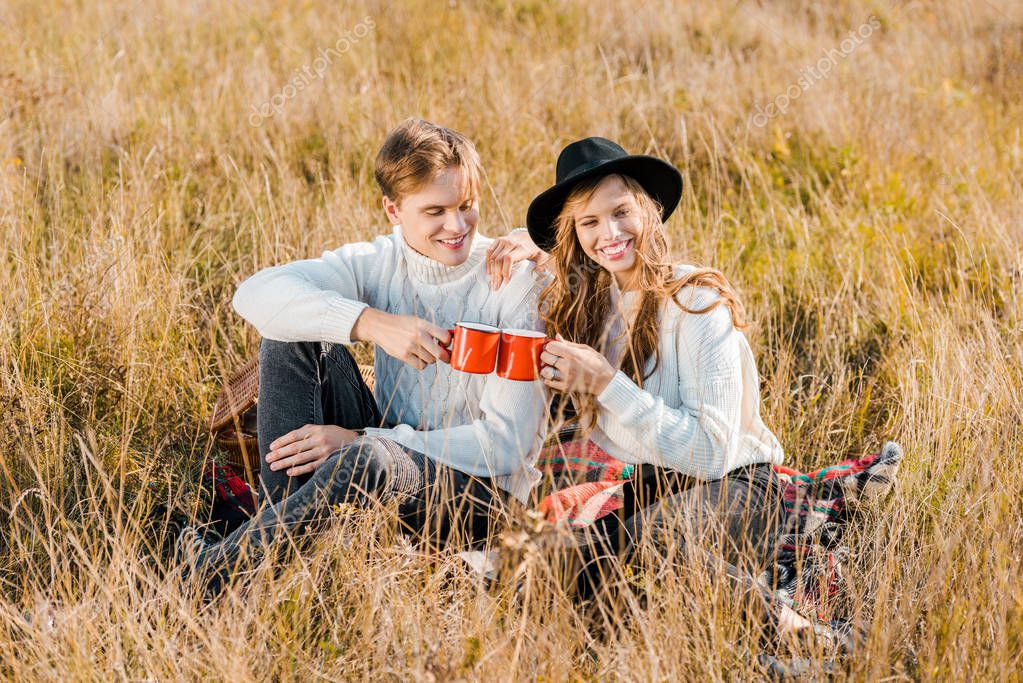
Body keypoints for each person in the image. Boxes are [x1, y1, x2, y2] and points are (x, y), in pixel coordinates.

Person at [177, 119, 548, 593]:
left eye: (466, 206)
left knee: (369, 458)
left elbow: (506, 446)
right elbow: (255, 293)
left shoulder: (513, 281)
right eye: (435, 211)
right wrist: (370, 323)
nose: (456, 226)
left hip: (483, 496)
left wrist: (358, 438)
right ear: (393, 209)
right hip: (388, 461)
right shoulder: (379, 262)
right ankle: (286, 551)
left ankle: (204, 575)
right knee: (289, 332)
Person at [486, 136, 791, 616]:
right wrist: (533, 246)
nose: (609, 232)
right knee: (546, 566)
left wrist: (608, 384)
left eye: (621, 211)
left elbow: (711, 453)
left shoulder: (695, 302)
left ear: (650, 210)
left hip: (742, 483)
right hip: (656, 485)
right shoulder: (592, 311)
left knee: (653, 543)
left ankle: (796, 630)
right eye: (589, 222)